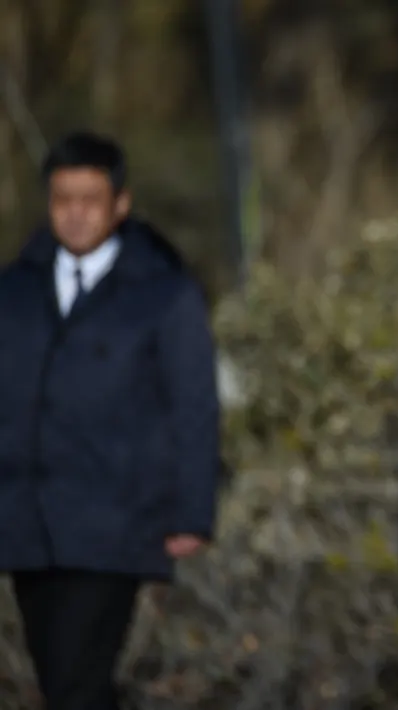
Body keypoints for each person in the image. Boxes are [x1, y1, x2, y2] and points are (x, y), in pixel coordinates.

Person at [0, 132, 221, 710]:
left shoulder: (163, 294)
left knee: (76, 683)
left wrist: (192, 510)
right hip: (29, 522)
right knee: (63, 681)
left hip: (116, 521)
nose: (74, 214)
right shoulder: (15, 292)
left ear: (120, 203)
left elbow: (194, 403)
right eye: (61, 199)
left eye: (89, 199)